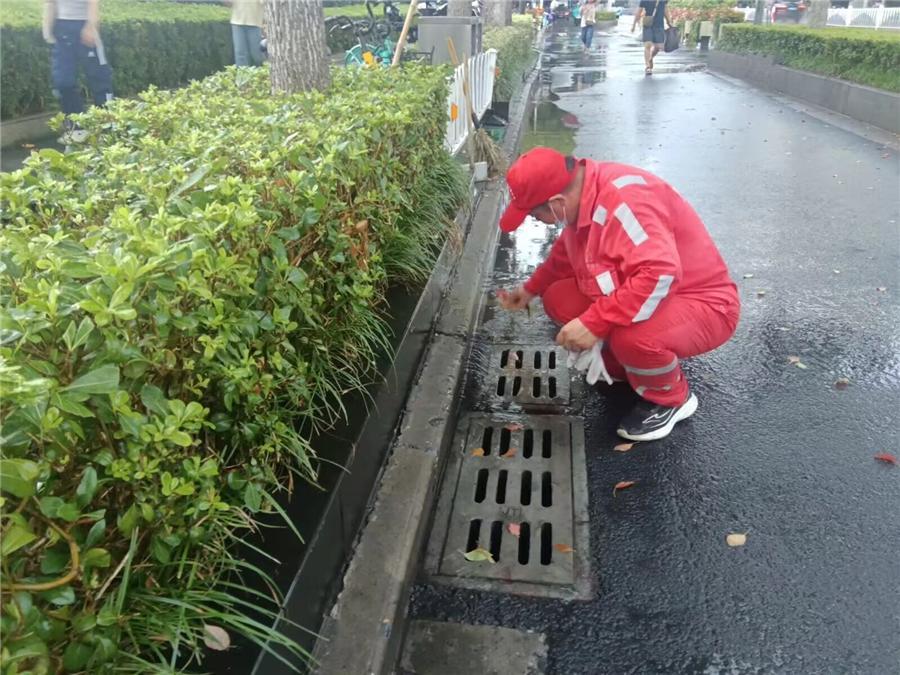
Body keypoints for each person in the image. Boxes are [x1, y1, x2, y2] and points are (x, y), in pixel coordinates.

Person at [496, 147, 740, 442]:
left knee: (633, 339)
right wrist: (530, 290)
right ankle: (633, 364)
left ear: (557, 203)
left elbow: (661, 274)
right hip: (656, 290)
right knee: (559, 299)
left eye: (535, 214)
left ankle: (672, 399)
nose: (537, 221)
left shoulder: (626, 203)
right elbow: (564, 254)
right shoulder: (584, 194)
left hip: (703, 302)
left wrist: (595, 323)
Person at [42, 0, 113, 143]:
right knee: (63, 82)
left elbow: (93, 2)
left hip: (84, 25)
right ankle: (77, 128)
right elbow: (50, 3)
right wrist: (47, 30)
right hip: (61, 28)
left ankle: (108, 128)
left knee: (99, 80)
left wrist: (90, 26)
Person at [631, 0, 673, 74]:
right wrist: (633, 25)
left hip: (659, 26)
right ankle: (647, 66)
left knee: (658, 47)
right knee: (648, 44)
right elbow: (638, 12)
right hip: (648, 24)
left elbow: (665, 10)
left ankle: (650, 58)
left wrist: (669, 22)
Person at [226, 0, 265, 67]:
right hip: (237, 22)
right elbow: (229, 4)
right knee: (240, 54)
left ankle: (263, 74)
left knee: (257, 54)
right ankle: (243, 77)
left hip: (255, 23)